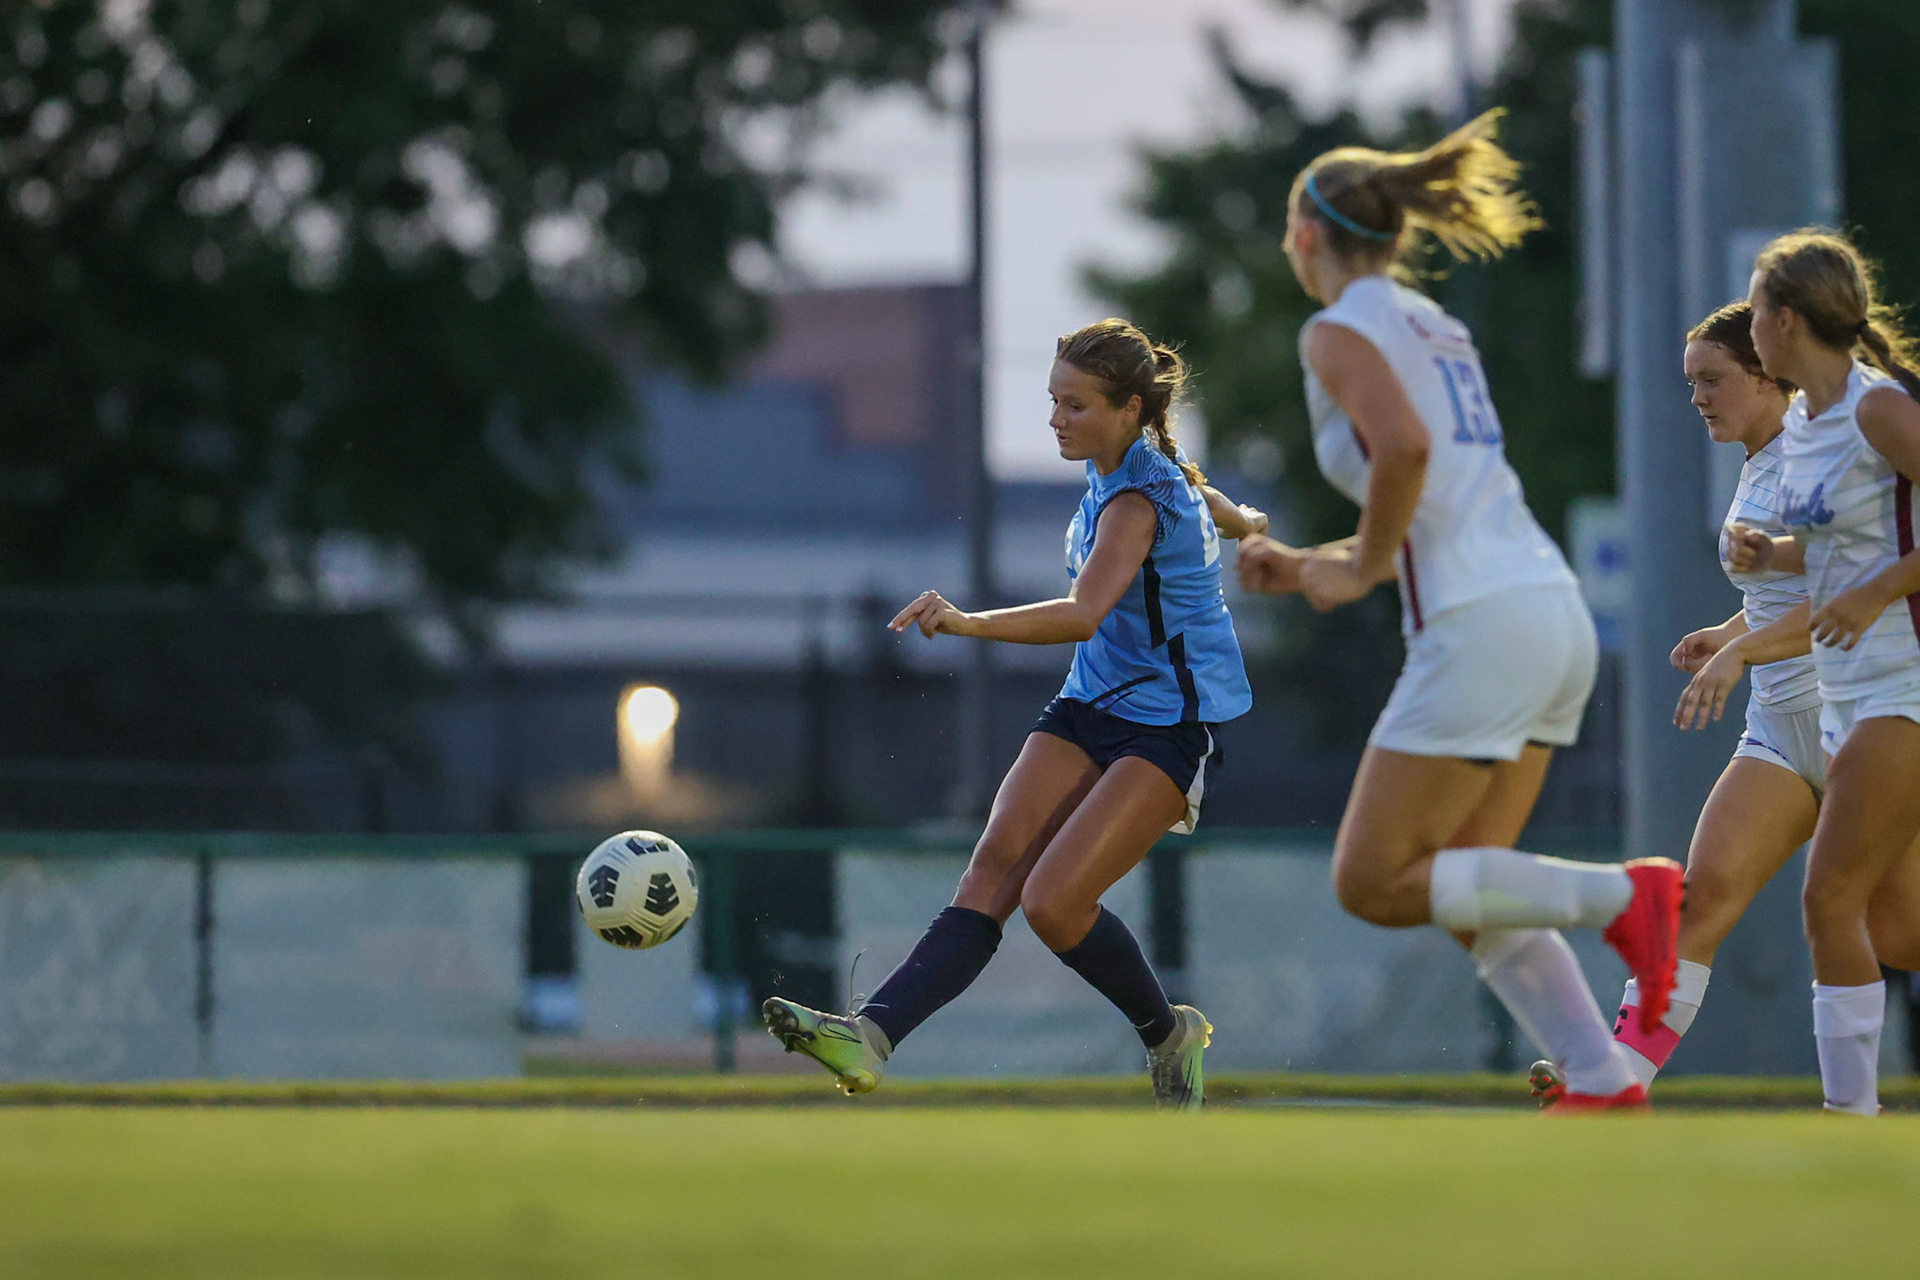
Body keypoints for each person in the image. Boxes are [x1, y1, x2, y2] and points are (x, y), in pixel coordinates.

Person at [1236, 108, 1681, 1110]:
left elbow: (1403, 453)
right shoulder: (1441, 324)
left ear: (1307, 236)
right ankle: (1602, 1075)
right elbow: (1441, 508)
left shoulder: (1336, 327)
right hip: (1542, 609)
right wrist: (1320, 562)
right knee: (1475, 882)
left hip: (1480, 626)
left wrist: (1352, 572)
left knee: (1375, 879)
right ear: (1394, 234)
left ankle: (1628, 894)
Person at [762, 319, 1263, 1110]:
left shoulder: (1135, 499)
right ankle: (871, 1037)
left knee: (1055, 902)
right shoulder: (1132, 465)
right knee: (994, 864)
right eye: (1054, 401)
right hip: (1088, 702)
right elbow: (1206, 496)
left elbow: (1082, 613)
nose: (1058, 420)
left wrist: (966, 623)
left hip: (1169, 724)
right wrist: (1248, 527)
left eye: (1076, 406)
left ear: (1131, 408)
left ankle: (1167, 1034)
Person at [1535, 302, 1813, 1104]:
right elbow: (1781, 592)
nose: (1697, 398)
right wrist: (1728, 628)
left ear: (1768, 376)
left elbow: (1846, 600)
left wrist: (1738, 652)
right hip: (1783, 733)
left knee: (1893, 927)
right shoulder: (1757, 462)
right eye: (1691, 382)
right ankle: (1615, 1083)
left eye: (1713, 380)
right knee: (1699, 904)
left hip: (1867, 724)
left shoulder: (1816, 460)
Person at [1724, 230, 1920, 1115]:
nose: (1751, 328)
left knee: (1827, 896)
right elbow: (1838, 541)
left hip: (1904, 684)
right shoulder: (1804, 420)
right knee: (1899, 929)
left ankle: (1852, 1127)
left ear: (1786, 320)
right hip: (1846, 694)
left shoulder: (1878, 409)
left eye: (1757, 312)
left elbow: (1884, 559)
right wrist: (1774, 556)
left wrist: (1880, 590)